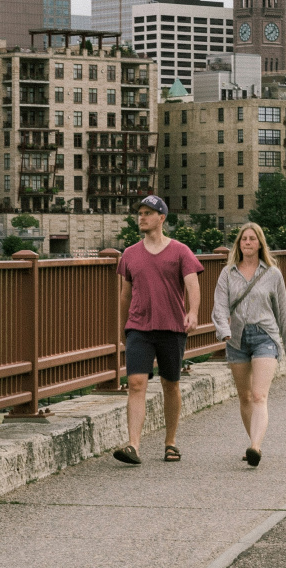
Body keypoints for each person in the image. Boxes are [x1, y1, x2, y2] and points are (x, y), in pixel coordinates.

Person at [113, 195, 203, 466]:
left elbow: (192, 284)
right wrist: (122, 327)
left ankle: (170, 442)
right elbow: (124, 294)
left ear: (162, 218)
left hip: (172, 327)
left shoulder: (180, 251)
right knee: (136, 384)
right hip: (139, 327)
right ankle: (134, 446)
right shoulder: (129, 254)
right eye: (139, 213)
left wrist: (193, 312)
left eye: (148, 213)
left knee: (170, 384)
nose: (142, 217)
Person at [211, 222, 286, 467]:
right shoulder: (228, 273)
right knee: (245, 396)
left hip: (264, 336)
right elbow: (219, 307)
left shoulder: (272, 274)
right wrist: (224, 331)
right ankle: (253, 442)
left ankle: (255, 446)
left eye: (252, 239)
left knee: (259, 394)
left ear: (260, 243)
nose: (247, 243)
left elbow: (282, 313)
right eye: (243, 239)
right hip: (236, 338)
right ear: (238, 244)